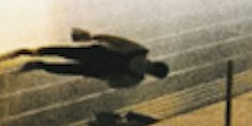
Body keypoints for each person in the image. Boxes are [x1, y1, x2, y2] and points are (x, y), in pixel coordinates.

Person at [16, 32, 168, 88]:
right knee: (67, 70)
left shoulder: (139, 51)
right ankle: (40, 65)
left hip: (97, 54)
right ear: (153, 75)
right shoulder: (135, 79)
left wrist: (93, 37)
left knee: (67, 52)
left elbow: (115, 40)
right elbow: (113, 83)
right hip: (97, 70)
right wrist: (108, 75)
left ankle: (37, 52)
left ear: (156, 62)